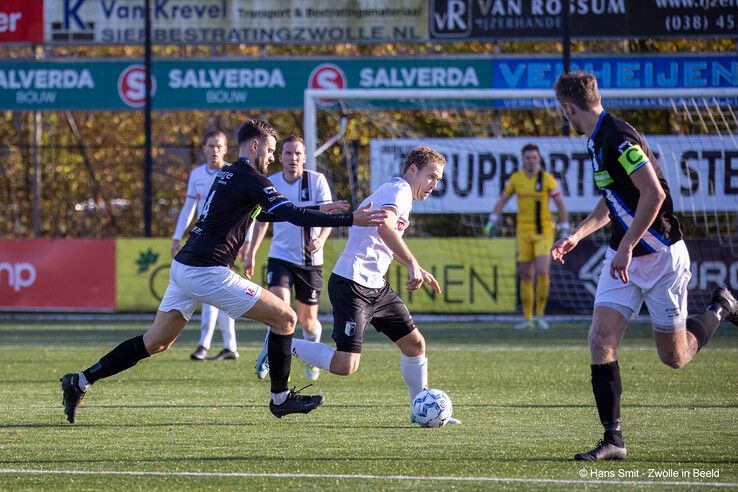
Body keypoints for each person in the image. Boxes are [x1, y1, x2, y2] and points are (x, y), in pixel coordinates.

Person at [59, 119, 387, 424]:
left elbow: (269, 213)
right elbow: (287, 213)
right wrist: (349, 218)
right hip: (207, 270)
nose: (273, 158)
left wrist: (316, 208)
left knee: (156, 342)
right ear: (255, 146)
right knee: (286, 319)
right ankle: (280, 397)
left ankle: (81, 380)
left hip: (185, 267)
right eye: (271, 150)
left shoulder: (230, 174)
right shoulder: (249, 177)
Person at [551, 71, 738, 461]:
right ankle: (613, 439)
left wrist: (629, 245)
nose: (563, 115)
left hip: (663, 257)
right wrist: (579, 234)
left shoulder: (618, 137)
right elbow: (612, 200)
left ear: (569, 107)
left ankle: (722, 306)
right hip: (624, 257)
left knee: (674, 357)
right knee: (600, 338)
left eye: (561, 110)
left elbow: (653, 194)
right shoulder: (595, 140)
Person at [284, 145, 460, 425]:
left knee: (415, 345)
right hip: (351, 284)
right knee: (345, 366)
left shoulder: (401, 194)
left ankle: (419, 410)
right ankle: (279, 343)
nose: (434, 185)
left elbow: (382, 240)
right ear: (413, 170)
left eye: (438, 180)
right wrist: (413, 262)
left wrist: (415, 265)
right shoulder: (399, 191)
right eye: (431, 176)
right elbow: (384, 226)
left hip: (376, 287)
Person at [242, 136, 333, 382]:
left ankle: (311, 358)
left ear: (305, 157)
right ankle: (269, 353)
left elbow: (327, 214)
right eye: (288, 153)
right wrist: (250, 251)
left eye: (298, 154)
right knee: (280, 307)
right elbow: (260, 222)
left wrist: (321, 240)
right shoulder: (270, 183)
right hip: (280, 256)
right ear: (280, 157)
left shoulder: (317, 181)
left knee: (308, 322)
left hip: (310, 261)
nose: (293, 158)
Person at [484, 144, 569, 330]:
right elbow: (502, 200)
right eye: (528, 158)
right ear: (523, 160)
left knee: (542, 271)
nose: (531, 160)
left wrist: (564, 226)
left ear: (539, 159)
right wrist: (492, 220)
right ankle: (528, 318)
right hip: (523, 232)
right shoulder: (517, 179)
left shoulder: (546, 179)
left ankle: (540, 315)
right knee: (526, 275)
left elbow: (560, 203)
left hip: (543, 231)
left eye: (534, 157)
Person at [170, 130, 239, 361]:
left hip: (226, 241)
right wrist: (176, 237)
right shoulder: (197, 175)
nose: (215, 150)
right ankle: (225, 346)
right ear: (204, 149)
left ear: (226, 149)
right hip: (202, 240)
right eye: (211, 146)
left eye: (219, 146)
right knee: (216, 292)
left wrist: (246, 243)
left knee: (215, 291)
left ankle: (207, 345)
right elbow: (189, 208)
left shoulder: (233, 173)